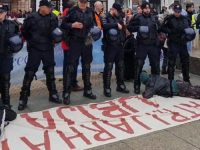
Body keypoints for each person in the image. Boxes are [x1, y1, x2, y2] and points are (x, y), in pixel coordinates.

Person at [18, 0, 62, 111]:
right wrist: (32, 41)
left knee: (50, 72)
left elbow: (56, 30)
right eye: (48, 7)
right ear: (42, 7)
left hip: (48, 48)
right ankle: (23, 98)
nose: (50, 9)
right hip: (35, 49)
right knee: (29, 73)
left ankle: (53, 94)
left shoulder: (53, 17)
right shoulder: (31, 17)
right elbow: (24, 32)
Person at [61, 0, 97, 105]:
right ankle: (66, 93)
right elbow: (63, 24)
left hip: (87, 41)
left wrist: (93, 30)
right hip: (75, 41)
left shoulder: (90, 11)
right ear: (78, 2)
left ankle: (88, 90)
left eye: (85, 2)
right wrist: (73, 25)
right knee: (71, 66)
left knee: (86, 66)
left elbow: (93, 24)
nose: (83, 4)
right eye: (81, 2)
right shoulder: (72, 11)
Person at [127, 1, 161, 94]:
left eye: (148, 8)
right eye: (145, 8)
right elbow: (130, 27)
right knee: (138, 66)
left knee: (155, 66)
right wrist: (139, 28)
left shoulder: (154, 18)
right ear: (142, 9)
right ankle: (137, 85)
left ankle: (156, 84)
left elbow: (160, 28)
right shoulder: (137, 17)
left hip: (153, 44)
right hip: (142, 45)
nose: (147, 10)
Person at [101, 3, 129, 97]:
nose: (119, 13)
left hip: (120, 45)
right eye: (118, 11)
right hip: (110, 46)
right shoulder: (105, 16)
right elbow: (104, 26)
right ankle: (107, 88)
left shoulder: (120, 16)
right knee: (108, 67)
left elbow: (123, 28)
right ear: (113, 10)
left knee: (120, 65)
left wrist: (124, 24)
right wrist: (115, 25)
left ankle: (120, 85)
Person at [161, 4, 192, 84]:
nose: (177, 13)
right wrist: (169, 31)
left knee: (185, 61)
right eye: (176, 11)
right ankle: (170, 81)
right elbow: (162, 28)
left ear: (181, 11)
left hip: (182, 43)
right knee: (171, 61)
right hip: (173, 42)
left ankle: (186, 80)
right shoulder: (169, 18)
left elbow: (189, 28)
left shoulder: (185, 19)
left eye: (179, 12)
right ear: (173, 10)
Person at [0, 5, 20, 108]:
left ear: (5, 13)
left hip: (6, 56)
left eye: (1, 12)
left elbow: (18, 37)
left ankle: (6, 102)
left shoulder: (12, 24)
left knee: (6, 78)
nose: (0, 15)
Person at [61, 1, 83, 92]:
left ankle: (70, 83)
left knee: (70, 64)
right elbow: (65, 25)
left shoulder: (67, 11)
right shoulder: (69, 12)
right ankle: (70, 84)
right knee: (70, 64)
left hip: (69, 42)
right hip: (69, 42)